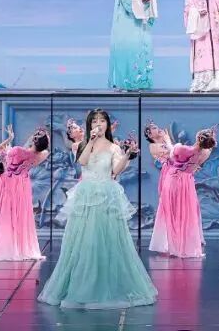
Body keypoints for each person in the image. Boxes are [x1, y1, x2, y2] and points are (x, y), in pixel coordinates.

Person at [39, 108, 158, 309]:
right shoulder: (80, 144)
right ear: (89, 125)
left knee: (108, 239)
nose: (98, 124)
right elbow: (83, 161)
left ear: (108, 124)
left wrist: (127, 155)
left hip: (106, 195)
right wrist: (91, 141)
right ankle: (81, 285)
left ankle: (105, 286)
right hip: (86, 195)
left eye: (102, 120)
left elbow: (115, 170)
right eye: (94, 121)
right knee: (84, 240)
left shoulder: (113, 147)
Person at [149, 127, 215, 258]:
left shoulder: (184, 149)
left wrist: (167, 139)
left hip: (175, 180)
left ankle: (174, 244)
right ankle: (182, 244)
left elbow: (172, 153)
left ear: (199, 138)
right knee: (185, 212)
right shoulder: (204, 153)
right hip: (187, 182)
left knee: (171, 210)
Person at [0, 127, 51, 261]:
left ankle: (13, 248)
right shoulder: (43, 154)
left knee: (10, 215)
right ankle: (22, 247)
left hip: (11, 183)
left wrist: (8, 147)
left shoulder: (17, 150)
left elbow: (6, 161)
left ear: (34, 140)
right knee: (22, 216)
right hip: (23, 184)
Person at [109, 0, 157, 91]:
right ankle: (125, 84)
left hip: (141, 23)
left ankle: (141, 83)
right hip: (126, 20)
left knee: (141, 50)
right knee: (127, 50)